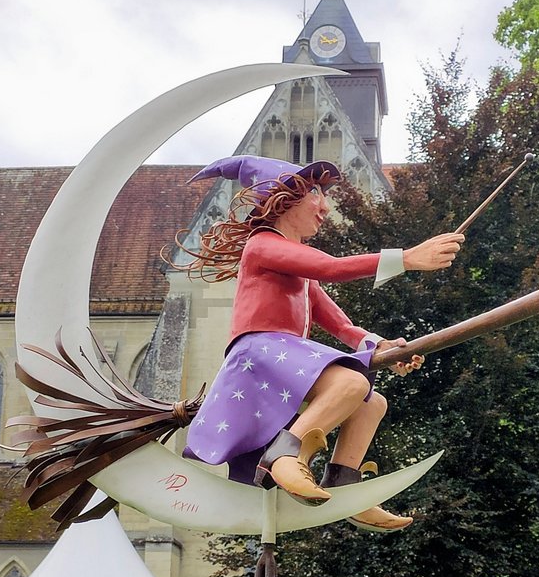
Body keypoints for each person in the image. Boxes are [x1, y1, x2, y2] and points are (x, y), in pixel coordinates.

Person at [166, 155, 464, 532]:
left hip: (281, 356)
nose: (325, 207)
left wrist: (382, 346)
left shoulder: (301, 272)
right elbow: (331, 267)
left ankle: (344, 484)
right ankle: (286, 455)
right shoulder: (262, 245)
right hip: (259, 353)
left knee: (371, 403)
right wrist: (406, 258)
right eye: (315, 194)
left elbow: (341, 325)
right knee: (351, 383)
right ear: (280, 199)